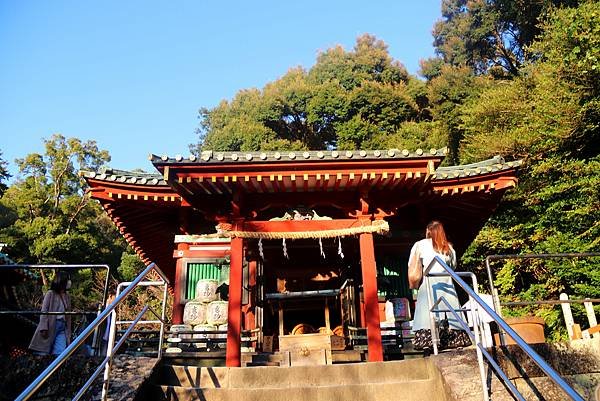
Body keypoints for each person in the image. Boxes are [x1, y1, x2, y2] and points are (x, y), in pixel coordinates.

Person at [408, 221, 464, 336]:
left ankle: (429, 341)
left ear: (428, 231)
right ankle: (455, 338)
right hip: (446, 283)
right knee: (451, 312)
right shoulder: (449, 247)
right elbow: (453, 266)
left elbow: (412, 263)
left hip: (429, 283)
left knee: (427, 314)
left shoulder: (420, 244)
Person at [29, 271, 72, 355]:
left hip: (62, 326)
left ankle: (56, 367)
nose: (69, 282)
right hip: (51, 324)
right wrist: (43, 327)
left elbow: (68, 315)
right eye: (67, 280)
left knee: (60, 352)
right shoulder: (50, 294)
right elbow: (44, 310)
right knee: (43, 351)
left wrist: (69, 332)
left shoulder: (67, 296)